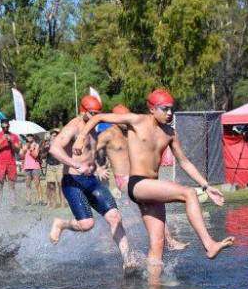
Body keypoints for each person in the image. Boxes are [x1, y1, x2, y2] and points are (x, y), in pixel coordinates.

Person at [74, 89, 234, 274]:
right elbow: (98, 117)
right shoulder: (136, 120)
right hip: (138, 184)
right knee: (188, 193)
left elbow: (184, 161)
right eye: (164, 109)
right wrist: (81, 137)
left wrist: (207, 186)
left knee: (158, 245)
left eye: (171, 109)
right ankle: (209, 243)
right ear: (152, 109)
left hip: (152, 189)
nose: (169, 113)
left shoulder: (170, 133)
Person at [48, 95, 133, 269]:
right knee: (87, 224)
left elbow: (91, 153)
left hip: (91, 179)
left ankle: (128, 259)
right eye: (92, 113)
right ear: (82, 111)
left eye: (97, 114)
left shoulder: (93, 127)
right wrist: (75, 164)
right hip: (73, 180)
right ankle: (61, 223)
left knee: (115, 216)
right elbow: (54, 149)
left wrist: (98, 167)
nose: (95, 117)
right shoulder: (73, 126)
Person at [96, 104, 187, 251]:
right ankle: (168, 241)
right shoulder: (108, 134)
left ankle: (156, 241)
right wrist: (97, 167)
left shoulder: (134, 131)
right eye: (122, 119)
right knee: (153, 201)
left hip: (139, 178)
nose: (126, 122)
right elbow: (89, 149)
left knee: (152, 207)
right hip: (124, 180)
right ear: (115, 120)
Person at [0, 118, 20, 203]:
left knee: (12, 183)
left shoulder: (14, 136)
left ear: (9, 126)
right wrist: (2, 139)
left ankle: (12, 204)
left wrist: (11, 142)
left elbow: (18, 150)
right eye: (4, 127)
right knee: (0, 182)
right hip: (0, 162)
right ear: (1, 127)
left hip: (11, 162)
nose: (5, 129)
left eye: (7, 127)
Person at [20, 134, 43, 205]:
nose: (29, 137)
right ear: (26, 137)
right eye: (28, 136)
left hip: (35, 167)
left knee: (37, 184)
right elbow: (21, 156)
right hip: (26, 167)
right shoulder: (24, 145)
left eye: (31, 136)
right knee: (28, 184)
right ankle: (28, 200)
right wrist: (23, 150)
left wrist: (30, 149)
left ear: (33, 137)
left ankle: (40, 200)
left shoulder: (36, 145)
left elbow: (35, 155)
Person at [44, 129, 64, 208]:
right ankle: (54, 203)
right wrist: (46, 148)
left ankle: (62, 203)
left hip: (59, 165)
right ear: (50, 137)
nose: (55, 137)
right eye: (53, 136)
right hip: (50, 166)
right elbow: (42, 155)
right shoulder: (47, 143)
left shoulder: (61, 143)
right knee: (51, 185)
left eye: (56, 136)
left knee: (61, 185)